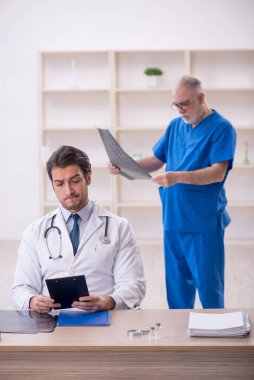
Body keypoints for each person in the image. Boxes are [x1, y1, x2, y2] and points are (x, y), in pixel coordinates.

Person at [108, 75, 236, 309]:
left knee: (209, 290)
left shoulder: (222, 128)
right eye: (176, 105)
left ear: (201, 98)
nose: (180, 110)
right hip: (173, 220)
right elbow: (157, 159)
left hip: (203, 223)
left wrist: (177, 177)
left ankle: (217, 336)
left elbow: (218, 172)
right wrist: (125, 165)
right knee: (177, 290)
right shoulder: (176, 126)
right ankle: (180, 339)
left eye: (185, 104)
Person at [12, 145, 146, 313]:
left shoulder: (119, 227)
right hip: (52, 323)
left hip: (103, 319)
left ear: (88, 178)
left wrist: (108, 301)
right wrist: (31, 301)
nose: (68, 190)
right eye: (59, 184)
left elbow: (134, 285)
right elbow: (21, 288)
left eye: (75, 181)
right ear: (53, 185)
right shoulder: (35, 231)